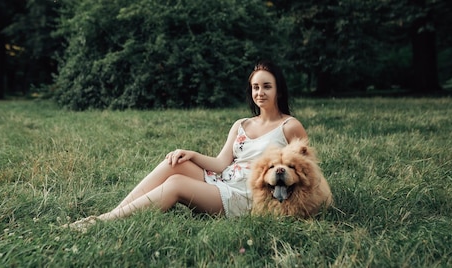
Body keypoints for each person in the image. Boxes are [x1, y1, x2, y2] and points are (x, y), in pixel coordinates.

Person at [63, 60, 308, 230]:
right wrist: (190, 154)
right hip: (224, 180)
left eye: (267, 86)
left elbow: (306, 171)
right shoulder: (241, 124)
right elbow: (221, 163)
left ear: (278, 90)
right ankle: (112, 215)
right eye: (256, 87)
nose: (260, 92)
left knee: (176, 184)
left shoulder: (289, 126)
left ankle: (103, 221)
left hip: (247, 196)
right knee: (174, 164)